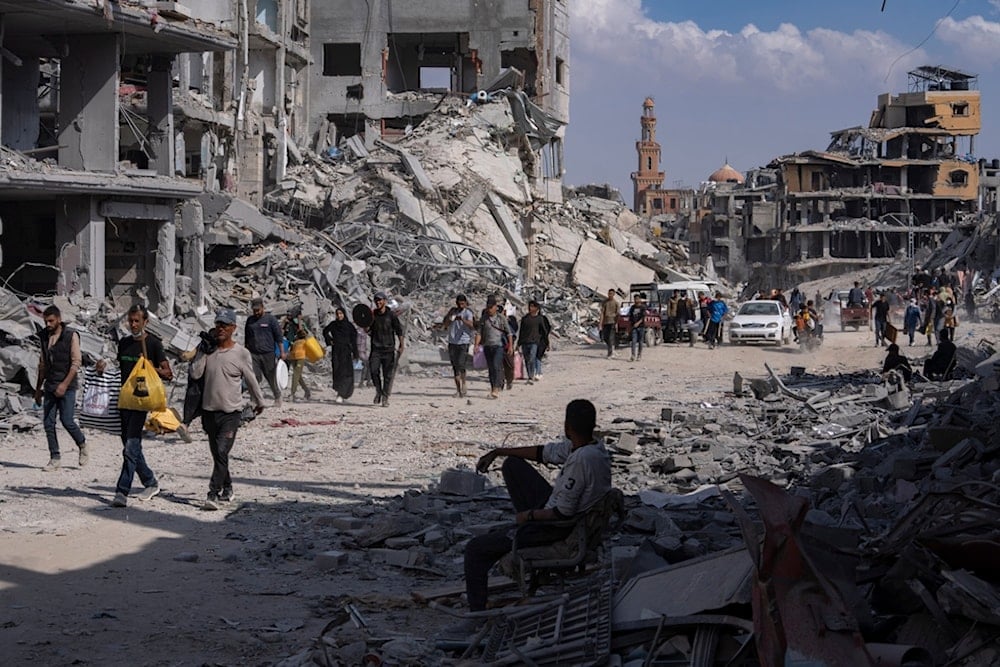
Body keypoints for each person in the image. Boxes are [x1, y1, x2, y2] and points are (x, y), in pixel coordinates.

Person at [462, 399, 611, 614]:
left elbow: (563, 513)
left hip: (559, 527)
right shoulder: (592, 447)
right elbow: (544, 453)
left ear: (567, 427)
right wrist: (500, 452)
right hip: (562, 507)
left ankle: (476, 613)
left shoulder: (582, 460)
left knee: (476, 549)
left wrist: (528, 516)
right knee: (513, 465)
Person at [190, 308, 266, 510]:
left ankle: (212, 494)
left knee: (222, 451)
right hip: (209, 412)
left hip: (231, 414)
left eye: (225, 325)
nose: (220, 328)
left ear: (233, 328)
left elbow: (251, 379)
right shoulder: (209, 350)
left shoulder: (241, 353)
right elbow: (196, 374)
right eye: (218, 324)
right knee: (218, 455)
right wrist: (201, 351)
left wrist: (259, 402)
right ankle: (228, 487)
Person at [101, 305, 174, 507]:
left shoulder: (153, 344)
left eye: (137, 321)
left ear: (145, 322)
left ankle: (121, 491)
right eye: (130, 321)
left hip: (142, 402)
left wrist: (153, 369)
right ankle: (150, 482)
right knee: (130, 446)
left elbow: (169, 374)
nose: (133, 325)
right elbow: (119, 371)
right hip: (124, 401)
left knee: (131, 446)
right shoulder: (124, 343)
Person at [34, 305, 87, 471]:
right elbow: (42, 364)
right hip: (50, 385)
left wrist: (64, 384)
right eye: (46, 321)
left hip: (68, 385)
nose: (48, 324)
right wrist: (38, 388)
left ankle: (82, 444)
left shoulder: (70, 335)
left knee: (67, 420)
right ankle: (54, 457)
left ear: (58, 319)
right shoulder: (44, 337)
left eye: (51, 321)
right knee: (48, 423)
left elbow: (76, 362)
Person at [244, 297, 284, 407]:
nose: (256, 312)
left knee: (271, 376)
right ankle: (254, 399)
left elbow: (279, 337)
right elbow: (247, 338)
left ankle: (277, 396)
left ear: (263, 308)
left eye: (258, 310)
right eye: (254, 310)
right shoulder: (250, 320)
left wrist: (282, 352)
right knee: (254, 377)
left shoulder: (271, 320)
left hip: (268, 354)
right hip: (253, 354)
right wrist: (246, 352)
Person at [368, 292, 404, 407]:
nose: (378, 302)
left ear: (384, 301)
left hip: (388, 349)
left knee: (387, 375)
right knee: (374, 371)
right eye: (376, 300)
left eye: (380, 300)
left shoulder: (391, 315)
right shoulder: (373, 315)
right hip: (376, 349)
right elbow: (368, 330)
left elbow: (399, 330)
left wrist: (401, 345)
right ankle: (378, 391)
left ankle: (385, 397)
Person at [476, 295, 511, 399]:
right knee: (491, 368)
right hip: (487, 346)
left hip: (498, 346)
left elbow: (509, 333)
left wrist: (511, 347)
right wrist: (476, 345)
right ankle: (493, 387)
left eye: (491, 307)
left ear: (496, 307)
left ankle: (496, 388)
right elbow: (479, 333)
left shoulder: (501, 318)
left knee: (496, 366)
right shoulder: (484, 319)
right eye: (488, 307)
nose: (489, 309)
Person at [322, 307, 358, 404]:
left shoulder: (349, 326)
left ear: (344, 314)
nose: (339, 316)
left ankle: (342, 394)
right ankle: (339, 392)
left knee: (345, 372)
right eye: (337, 314)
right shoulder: (334, 325)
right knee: (337, 371)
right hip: (336, 351)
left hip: (346, 352)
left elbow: (354, 340)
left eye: (341, 314)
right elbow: (325, 331)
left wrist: (355, 353)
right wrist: (329, 341)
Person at [443, 294, 475, 397]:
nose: (461, 306)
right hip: (453, 342)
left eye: (463, 303)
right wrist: (450, 318)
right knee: (455, 366)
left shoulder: (468, 313)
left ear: (465, 303)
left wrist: (462, 320)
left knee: (461, 364)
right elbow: (446, 324)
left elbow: (471, 325)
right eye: (459, 304)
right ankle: (458, 390)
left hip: (463, 341)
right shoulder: (452, 311)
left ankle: (464, 383)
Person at [283, 308, 313, 402]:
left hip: (301, 353)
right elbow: (282, 333)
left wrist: (299, 321)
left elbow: (302, 333)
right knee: (298, 375)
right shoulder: (289, 324)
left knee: (295, 374)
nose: (288, 316)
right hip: (293, 352)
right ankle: (307, 391)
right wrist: (283, 323)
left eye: (290, 314)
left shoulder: (299, 324)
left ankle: (292, 394)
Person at [518, 300, 546, 384]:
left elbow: (544, 331)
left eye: (533, 306)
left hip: (534, 342)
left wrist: (546, 342)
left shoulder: (539, 319)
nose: (531, 308)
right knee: (526, 359)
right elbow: (521, 331)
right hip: (525, 342)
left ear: (537, 308)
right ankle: (530, 375)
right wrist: (518, 343)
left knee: (532, 358)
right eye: (530, 306)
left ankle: (532, 374)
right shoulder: (525, 319)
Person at [627, 293, 647, 362]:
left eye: (637, 299)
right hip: (634, 327)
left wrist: (638, 323)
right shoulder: (632, 307)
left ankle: (639, 355)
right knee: (633, 341)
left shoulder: (643, 307)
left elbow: (643, 317)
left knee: (640, 341)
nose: (636, 300)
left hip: (641, 326)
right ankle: (633, 355)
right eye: (635, 299)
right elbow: (630, 316)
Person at [599, 289, 619, 358]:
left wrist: (616, 323)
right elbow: (602, 313)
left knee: (610, 337)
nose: (610, 295)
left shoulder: (616, 303)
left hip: (612, 322)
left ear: (614, 294)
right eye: (609, 293)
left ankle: (610, 353)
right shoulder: (605, 302)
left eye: (611, 293)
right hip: (606, 322)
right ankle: (611, 348)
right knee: (605, 337)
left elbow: (618, 314)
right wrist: (600, 323)